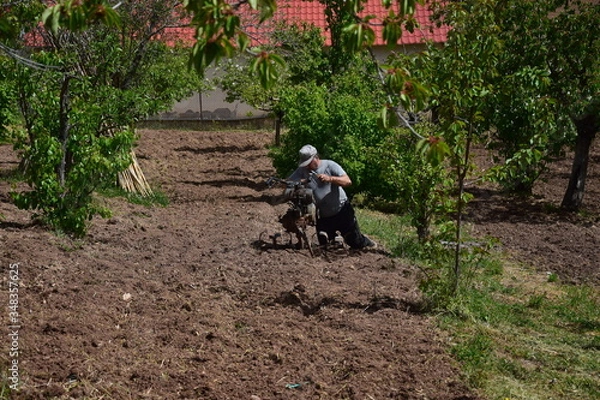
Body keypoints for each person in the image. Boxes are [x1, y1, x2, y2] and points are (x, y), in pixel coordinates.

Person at [287, 144, 377, 250]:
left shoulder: (330, 165)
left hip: (342, 211)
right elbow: (288, 182)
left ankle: (367, 243)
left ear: (315, 158)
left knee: (354, 242)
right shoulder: (302, 171)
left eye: (308, 163)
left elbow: (347, 181)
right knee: (325, 245)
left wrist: (330, 179)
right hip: (323, 216)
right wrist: (301, 182)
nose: (306, 166)